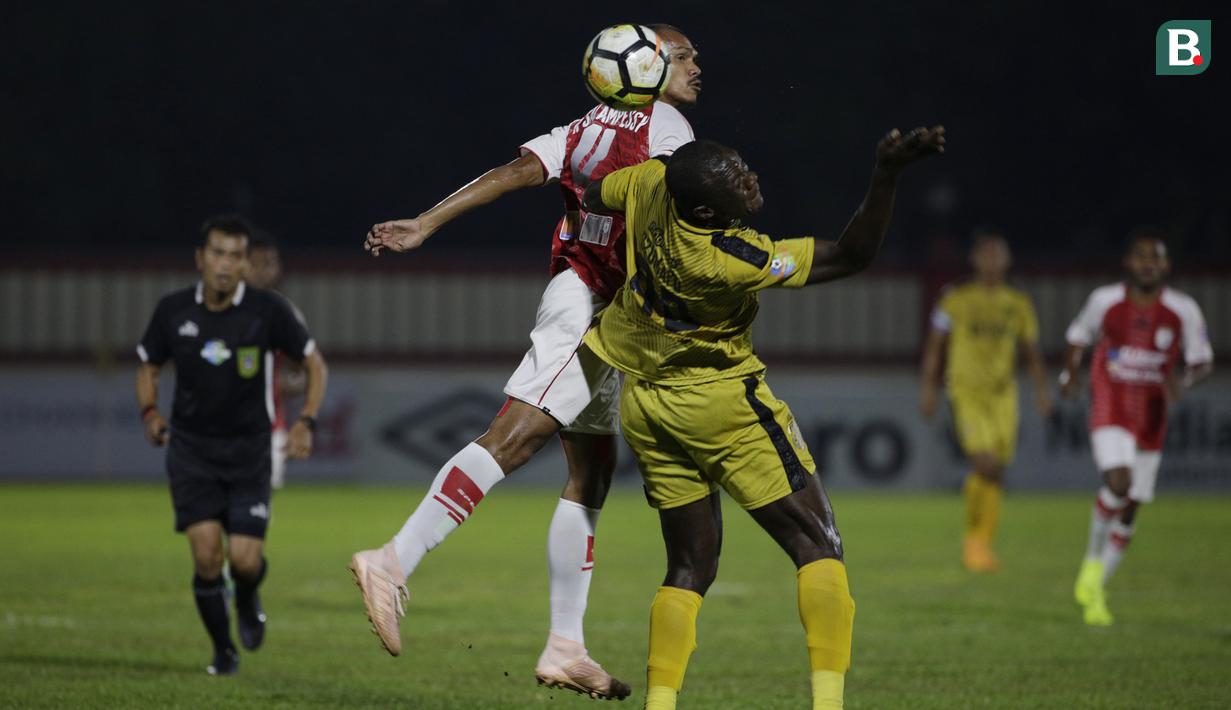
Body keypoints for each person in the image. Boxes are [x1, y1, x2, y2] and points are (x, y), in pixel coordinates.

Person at [349, 25, 701, 699]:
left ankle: (565, 646)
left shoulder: (578, 128)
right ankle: (393, 559)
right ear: (646, 64)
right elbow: (673, 212)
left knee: (591, 467)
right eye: (683, 55)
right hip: (589, 302)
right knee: (514, 436)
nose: (695, 66)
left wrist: (425, 222)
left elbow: (510, 175)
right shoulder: (664, 126)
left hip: (602, 309)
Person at [579, 128, 945, 709]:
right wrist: (886, 175)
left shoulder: (650, 180)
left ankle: (660, 705)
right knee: (818, 543)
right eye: (735, 181)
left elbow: (597, 192)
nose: (750, 178)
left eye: (741, 164)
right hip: (720, 402)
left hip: (645, 401)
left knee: (690, 566)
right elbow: (851, 255)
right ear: (704, 211)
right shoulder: (728, 257)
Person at [136, 215, 329, 674]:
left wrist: (306, 422)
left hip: (249, 451)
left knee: (244, 560)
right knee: (207, 556)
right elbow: (148, 364)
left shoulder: (268, 310)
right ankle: (223, 651)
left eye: (236, 256)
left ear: (245, 264)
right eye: (218, 254)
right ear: (201, 258)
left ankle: (246, 595)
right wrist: (150, 412)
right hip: (192, 451)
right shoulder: (173, 311)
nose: (226, 265)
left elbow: (315, 365)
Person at [1061, 231, 1212, 626]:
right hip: (1110, 405)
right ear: (1128, 262)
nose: (1148, 263)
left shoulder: (1184, 310)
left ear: (1166, 266)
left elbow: (1201, 360)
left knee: (1130, 510)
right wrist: (1069, 374)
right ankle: (1092, 564)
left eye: (1156, 258)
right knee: (1119, 481)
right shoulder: (1104, 301)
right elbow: (1078, 335)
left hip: (1151, 416)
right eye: (1142, 256)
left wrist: (1185, 379)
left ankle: (1096, 591)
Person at [918, 229, 1052, 572]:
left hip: (1003, 394)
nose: (993, 261)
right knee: (986, 463)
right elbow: (935, 347)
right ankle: (975, 544)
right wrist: (929, 389)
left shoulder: (1018, 304)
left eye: (999, 254)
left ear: (1007, 260)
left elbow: (1031, 351)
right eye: (987, 254)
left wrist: (1040, 390)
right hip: (966, 390)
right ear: (974, 260)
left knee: (995, 470)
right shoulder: (955, 300)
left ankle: (981, 543)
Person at [246, 231, 307, 490]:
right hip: (218, 431)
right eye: (255, 262)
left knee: (254, 516)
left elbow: (306, 371)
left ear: (278, 268)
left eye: (268, 263)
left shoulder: (285, 315)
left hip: (269, 430)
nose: (261, 271)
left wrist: (287, 386)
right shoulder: (217, 309)